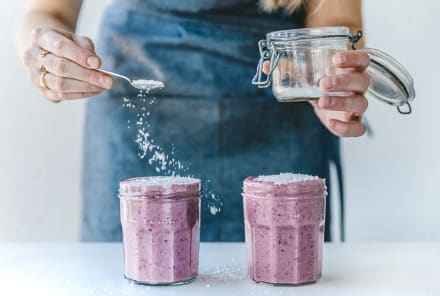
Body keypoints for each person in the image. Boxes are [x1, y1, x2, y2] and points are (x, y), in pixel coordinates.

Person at [16, 0, 370, 242]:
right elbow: (47, 11)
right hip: (136, 122)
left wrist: (330, 82)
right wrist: (46, 54)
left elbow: (337, 20)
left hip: (278, 113)